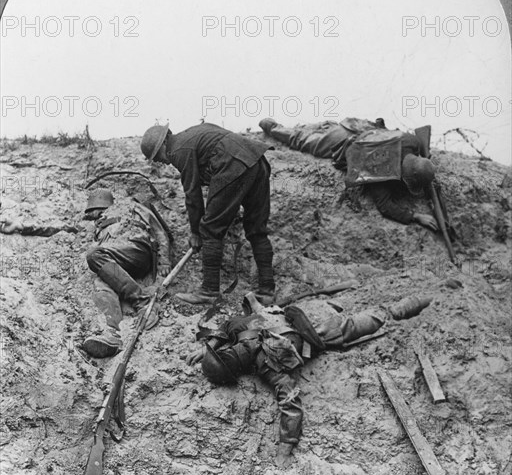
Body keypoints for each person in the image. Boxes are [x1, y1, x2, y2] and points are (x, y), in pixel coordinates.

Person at [187, 291, 432, 467]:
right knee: (369, 313)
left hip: (321, 328)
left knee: (378, 318)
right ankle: (421, 300)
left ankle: (422, 301)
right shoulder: (245, 330)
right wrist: (208, 347)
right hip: (306, 311)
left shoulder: (264, 362)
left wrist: (285, 447)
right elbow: (227, 326)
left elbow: (291, 402)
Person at [140, 123, 276, 305]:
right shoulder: (193, 134)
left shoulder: (178, 149)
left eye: (157, 155)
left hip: (233, 165)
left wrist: (196, 232)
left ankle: (209, 291)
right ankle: (267, 291)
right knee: (256, 228)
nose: (160, 161)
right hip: (256, 160)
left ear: (165, 142)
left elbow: (193, 195)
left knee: (210, 229)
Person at [259, 118, 438, 231]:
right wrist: (415, 216)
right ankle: (274, 128)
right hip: (343, 140)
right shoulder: (381, 168)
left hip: (362, 127)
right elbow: (385, 205)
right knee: (303, 140)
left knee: (325, 129)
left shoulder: (412, 142)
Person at [83, 188, 171, 358]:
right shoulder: (99, 226)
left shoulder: (130, 207)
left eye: (93, 210)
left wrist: (164, 262)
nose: (93, 214)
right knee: (102, 281)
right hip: (116, 260)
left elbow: (160, 232)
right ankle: (112, 334)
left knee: (94, 254)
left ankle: (142, 302)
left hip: (136, 250)